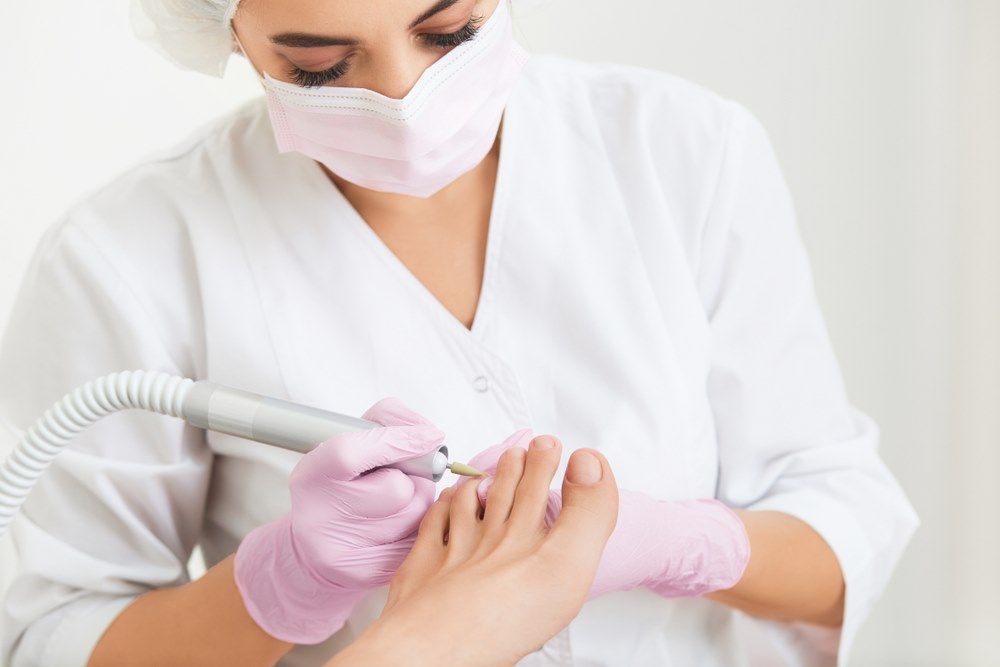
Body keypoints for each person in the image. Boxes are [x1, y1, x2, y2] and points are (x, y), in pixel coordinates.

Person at [0, 0, 918, 665]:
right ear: (225, 32)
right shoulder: (125, 255)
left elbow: (843, 528)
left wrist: (688, 543)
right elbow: (56, 639)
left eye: (449, 31)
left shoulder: (683, 149)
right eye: (320, 64)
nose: (405, 95)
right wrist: (278, 585)